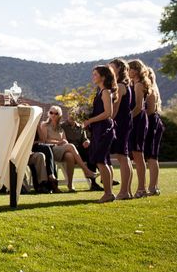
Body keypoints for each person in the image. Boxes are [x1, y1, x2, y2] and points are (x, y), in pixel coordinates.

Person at [36, 106, 96, 191]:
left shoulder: (60, 128)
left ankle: (70, 184)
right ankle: (86, 170)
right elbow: (44, 140)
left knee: (70, 156)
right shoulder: (44, 125)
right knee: (71, 146)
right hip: (50, 149)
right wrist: (58, 142)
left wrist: (64, 142)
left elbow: (65, 140)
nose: (53, 115)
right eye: (51, 113)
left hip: (61, 149)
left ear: (59, 115)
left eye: (56, 113)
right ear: (48, 113)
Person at [82, 65, 117, 203]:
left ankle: (108, 193)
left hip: (104, 129)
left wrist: (90, 120)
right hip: (98, 129)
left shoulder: (106, 92)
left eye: (96, 74)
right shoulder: (99, 91)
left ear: (103, 77)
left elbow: (108, 113)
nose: (93, 77)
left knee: (101, 161)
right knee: (103, 161)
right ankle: (108, 193)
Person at [108, 59, 134, 199]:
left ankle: (124, 191)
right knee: (124, 156)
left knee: (122, 156)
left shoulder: (120, 85)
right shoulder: (124, 85)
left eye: (112, 67)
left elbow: (115, 109)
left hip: (121, 123)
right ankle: (127, 191)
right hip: (125, 121)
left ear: (119, 69)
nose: (109, 69)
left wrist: (107, 120)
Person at [128, 59, 151, 198]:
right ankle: (142, 187)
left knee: (138, 154)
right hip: (138, 120)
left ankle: (142, 188)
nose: (128, 72)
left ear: (135, 70)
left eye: (129, 69)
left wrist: (128, 119)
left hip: (138, 121)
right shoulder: (135, 84)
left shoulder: (138, 85)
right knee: (136, 154)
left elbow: (138, 106)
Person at [144, 66, 165, 196]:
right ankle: (152, 186)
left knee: (152, 156)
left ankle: (153, 187)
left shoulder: (151, 91)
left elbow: (150, 111)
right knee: (150, 157)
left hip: (152, 124)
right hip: (149, 123)